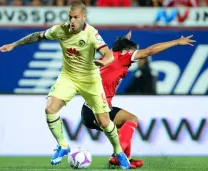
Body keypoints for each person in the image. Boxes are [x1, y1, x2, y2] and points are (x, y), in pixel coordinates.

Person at [0, 0, 130, 169]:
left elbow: (108, 54)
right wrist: (13, 45)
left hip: (90, 80)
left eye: (76, 17)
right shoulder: (60, 30)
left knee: (103, 121)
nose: (72, 21)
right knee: (50, 109)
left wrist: (105, 62)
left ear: (84, 17)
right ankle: (63, 146)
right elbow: (37, 35)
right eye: (70, 17)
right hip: (68, 77)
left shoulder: (92, 34)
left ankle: (118, 152)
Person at [81, 32, 195, 168]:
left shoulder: (108, 57)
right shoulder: (123, 57)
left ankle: (124, 158)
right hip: (95, 109)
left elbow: (116, 49)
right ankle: (118, 156)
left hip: (92, 109)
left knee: (126, 126)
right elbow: (150, 51)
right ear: (125, 51)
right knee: (131, 121)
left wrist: (124, 40)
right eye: (132, 52)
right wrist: (176, 42)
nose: (135, 55)